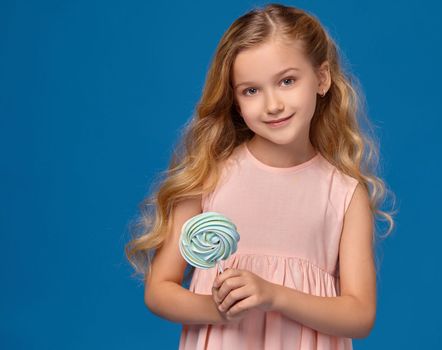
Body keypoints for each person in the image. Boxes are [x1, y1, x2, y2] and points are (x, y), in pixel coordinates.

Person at [125, 3, 396, 349]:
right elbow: (159, 290)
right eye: (251, 90)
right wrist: (216, 308)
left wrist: (274, 296)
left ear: (322, 78)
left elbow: (360, 316)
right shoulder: (210, 176)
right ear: (235, 100)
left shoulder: (343, 194)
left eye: (286, 81)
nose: (272, 105)